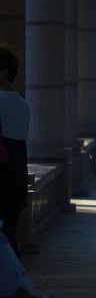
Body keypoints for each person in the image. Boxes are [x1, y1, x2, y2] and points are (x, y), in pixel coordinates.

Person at [0, 46, 31, 258]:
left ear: (3, 72)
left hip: (2, 173)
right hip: (17, 172)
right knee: (10, 233)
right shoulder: (23, 103)